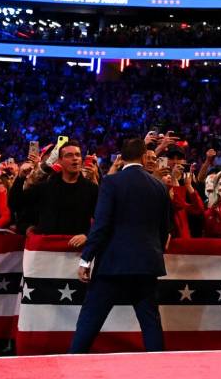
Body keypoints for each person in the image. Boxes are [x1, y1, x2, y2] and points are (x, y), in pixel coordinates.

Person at [70, 138, 172, 353]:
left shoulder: (111, 182)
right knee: (150, 322)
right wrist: (154, 252)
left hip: (112, 265)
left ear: (121, 158)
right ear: (144, 156)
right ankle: (161, 368)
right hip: (146, 264)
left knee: (90, 319)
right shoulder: (159, 186)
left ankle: (73, 360)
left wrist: (86, 258)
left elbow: (101, 225)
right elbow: (164, 230)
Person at [20, 141, 99, 247]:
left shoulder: (92, 189)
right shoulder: (46, 188)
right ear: (60, 161)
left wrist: (87, 235)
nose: (75, 158)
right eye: (69, 155)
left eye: (78, 155)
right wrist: (20, 178)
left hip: (77, 252)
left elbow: (102, 219)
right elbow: (17, 203)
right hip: (47, 251)